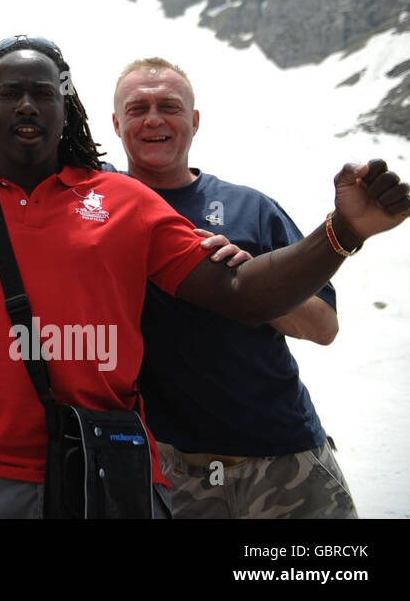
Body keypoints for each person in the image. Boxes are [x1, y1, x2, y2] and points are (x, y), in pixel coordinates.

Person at [0, 35, 410, 518]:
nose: (26, 105)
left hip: (105, 466)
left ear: (67, 107)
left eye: (42, 92)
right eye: (8, 93)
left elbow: (239, 294)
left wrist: (340, 233)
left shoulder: (126, 201)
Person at [113, 56, 356, 518]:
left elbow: (323, 327)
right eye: (137, 107)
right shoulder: (96, 207)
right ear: (116, 123)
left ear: (195, 121)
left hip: (286, 460)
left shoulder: (252, 208)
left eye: (169, 105)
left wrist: (254, 279)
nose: (153, 119)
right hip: (168, 470)